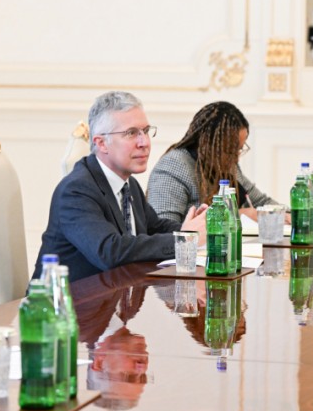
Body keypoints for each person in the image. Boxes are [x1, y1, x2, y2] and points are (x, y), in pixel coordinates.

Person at [33, 91, 207, 282]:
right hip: (66, 299)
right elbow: (110, 251)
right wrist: (185, 239)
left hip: (114, 295)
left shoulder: (129, 184)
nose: (144, 142)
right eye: (131, 133)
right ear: (101, 143)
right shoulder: (76, 191)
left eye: (146, 131)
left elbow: (155, 228)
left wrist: (199, 227)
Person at [147, 100, 282, 224]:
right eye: (230, 151)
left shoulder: (227, 165)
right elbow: (164, 231)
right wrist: (236, 215)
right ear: (208, 145)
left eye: (239, 149)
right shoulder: (173, 167)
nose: (236, 159)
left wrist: (284, 214)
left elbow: (261, 202)